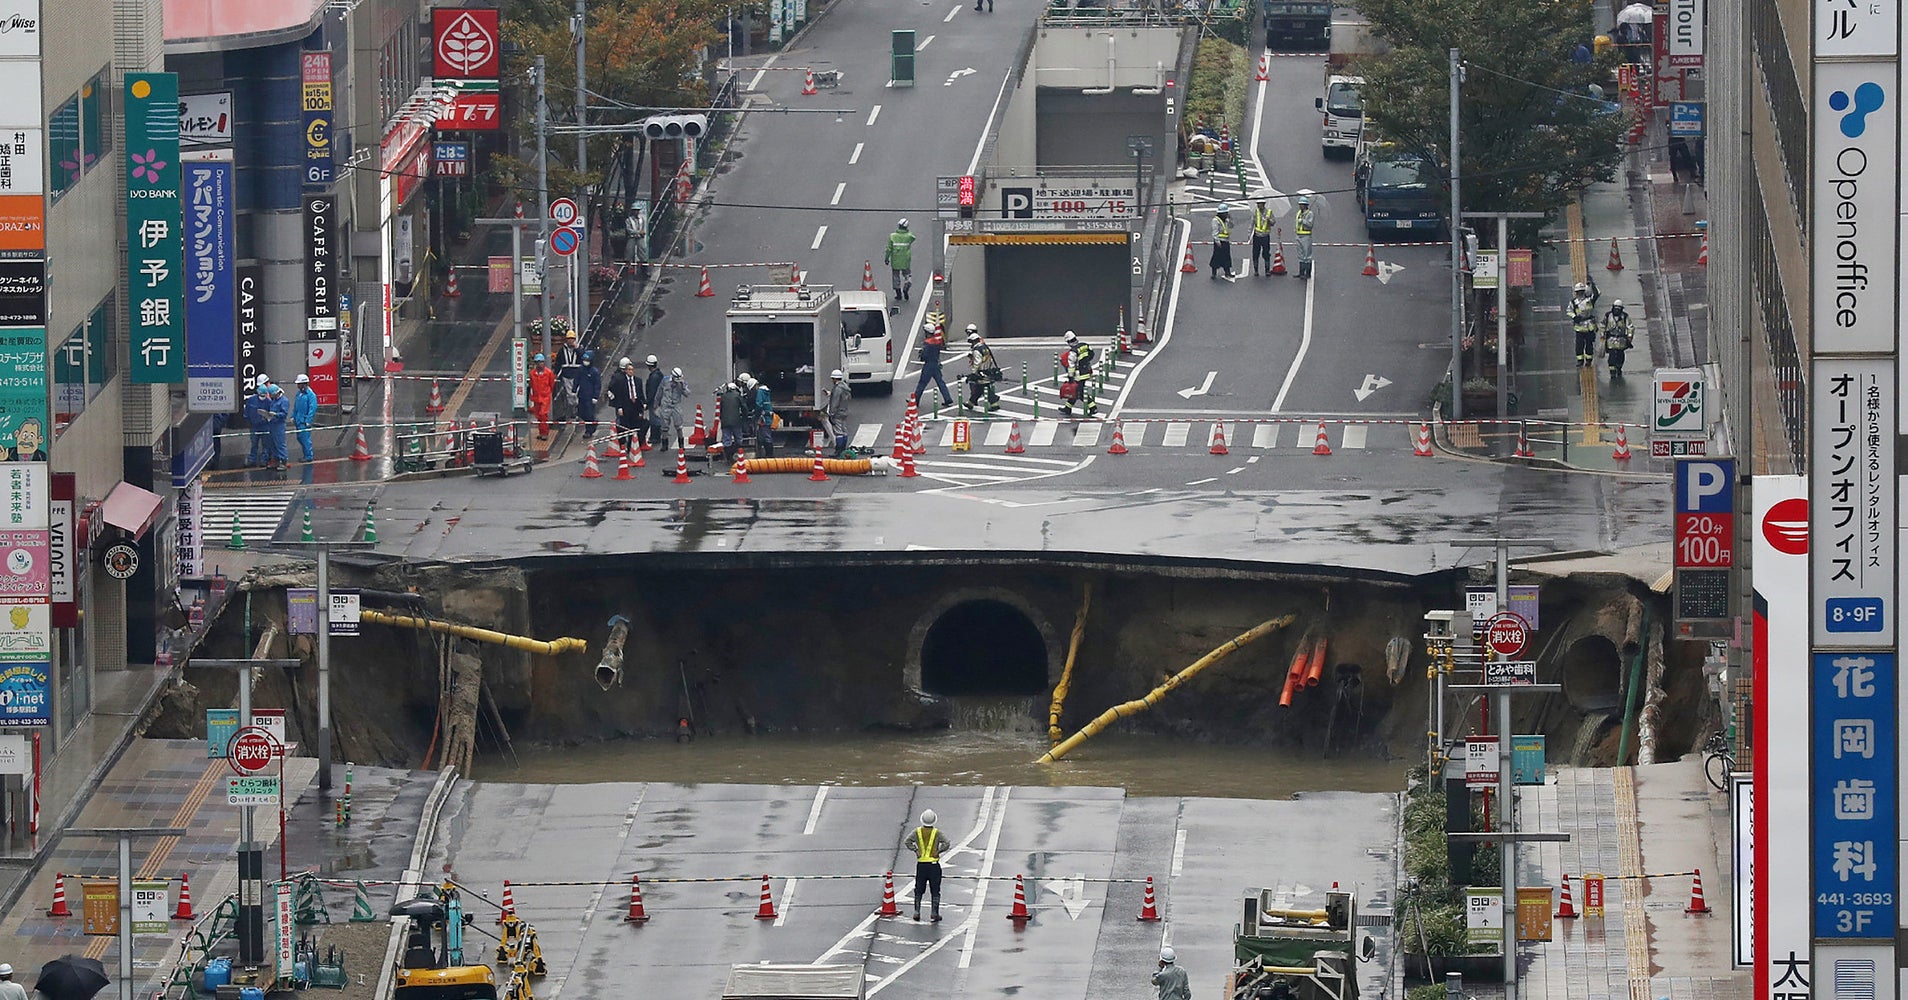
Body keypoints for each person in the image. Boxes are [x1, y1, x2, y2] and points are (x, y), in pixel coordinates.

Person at [904, 809, 946, 921]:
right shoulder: (936, 832)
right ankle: (934, 914)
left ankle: (916, 912)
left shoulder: (917, 832)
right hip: (933, 865)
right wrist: (938, 851)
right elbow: (946, 843)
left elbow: (907, 841)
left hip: (921, 865)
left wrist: (916, 850)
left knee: (919, 889)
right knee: (935, 890)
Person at [607, 357, 647, 456]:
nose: (630, 371)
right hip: (626, 405)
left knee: (635, 427)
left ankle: (631, 447)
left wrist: (644, 403)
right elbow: (619, 395)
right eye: (628, 370)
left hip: (635, 405)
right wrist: (619, 407)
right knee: (623, 426)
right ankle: (622, 445)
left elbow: (640, 393)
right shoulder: (621, 381)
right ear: (625, 371)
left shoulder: (638, 381)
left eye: (632, 370)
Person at [914, 322, 954, 408]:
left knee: (922, 383)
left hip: (928, 365)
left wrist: (921, 354)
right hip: (936, 364)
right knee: (940, 382)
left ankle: (916, 400)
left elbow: (924, 355)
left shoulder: (927, 342)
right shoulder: (937, 341)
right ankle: (947, 398)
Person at [1059, 331, 1098, 418]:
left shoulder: (1073, 352)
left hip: (1079, 374)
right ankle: (1068, 408)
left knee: (1079, 393)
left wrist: (1070, 376)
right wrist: (1085, 361)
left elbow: (1071, 366)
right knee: (1075, 390)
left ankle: (1093, 407)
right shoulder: (1084, 345)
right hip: (1087, 371)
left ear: (1069, 342)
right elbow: (1092, 354)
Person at [964, 330, 1001, 412]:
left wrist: (974, 372)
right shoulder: (984, 347)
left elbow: (977, 362)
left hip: (981, 371)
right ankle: (971, 403)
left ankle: (994, 403)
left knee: (984, 388)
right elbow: (990, 359)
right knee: (978, 388)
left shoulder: (977, 350)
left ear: (974, 341)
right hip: (987, 370)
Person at [655, 367, 689, 451]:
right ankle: (664, 444)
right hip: (665, 405)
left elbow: (687, 394)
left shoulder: (682, 383)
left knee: (679, 426)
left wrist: (682, 386)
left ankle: (681, 444)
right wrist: (656, 403)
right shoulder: (665, 380)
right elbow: (659, 391)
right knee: (664, 426)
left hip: (676, 406)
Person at [884, 219, 916, 306]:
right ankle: (907, 284)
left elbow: (888, 249)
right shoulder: (909, 236)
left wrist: (886, 258)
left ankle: (898, 294)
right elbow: (913, 237)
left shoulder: (892, 236)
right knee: (907, 274)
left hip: (895, 259)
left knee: (895, 276)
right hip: (905, 260)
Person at [1602, 298, 1635, 381]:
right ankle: (1612, 372)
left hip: (1621, 340)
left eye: (1618, 308)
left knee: (1620, 355)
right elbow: (1602, 325)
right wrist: (1602, 335)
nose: (1617, 310)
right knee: (1612, 356)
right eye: (1615, 308)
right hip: (1611, 340)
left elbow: (1630, 327)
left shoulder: (1625, 317)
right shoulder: (1608, 315)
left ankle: (1619, 367)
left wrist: (1630, 337)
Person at [822, 369, 851, 457]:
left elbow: (835, 402)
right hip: (844, 411)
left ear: (835, 379)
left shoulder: (837, 388)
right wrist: (829, 393)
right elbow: (840, 396)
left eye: (832, 379)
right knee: (844, 430)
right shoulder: (844, 387)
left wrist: (831, 414)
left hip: (838, 413)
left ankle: (838, 451)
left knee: (838, 432)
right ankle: (844, 449)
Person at [1570, 282, 1599, 368]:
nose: (1580, 293)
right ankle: (1580, 360)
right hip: (1579, 327)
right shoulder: (1574, 302)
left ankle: (1589, 360)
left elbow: (1597, 293)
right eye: (1578, 292)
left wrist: (1593, 285)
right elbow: (1569, 311)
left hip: (1589, 326)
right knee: (1579, 345)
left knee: (1589, 344)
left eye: (1581, 291)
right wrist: (1574, 317)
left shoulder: (1590, 300)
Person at [243, 375, 271, 467]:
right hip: (254, 426)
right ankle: (252, 460)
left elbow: (271, 414)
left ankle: (264, 459)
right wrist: (248, 421)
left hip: (265, 425)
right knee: (254, 443)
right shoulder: (251, 400)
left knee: (265, 444)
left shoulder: (269, 401)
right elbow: (247, 412)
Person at [575, 350, 603, 438]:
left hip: (590, 397)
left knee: (589, 414)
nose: (585, 362)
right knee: (581, 413)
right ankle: (593, 422)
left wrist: (595, 396)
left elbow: (597, 385)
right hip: (582, 395)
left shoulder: (594, 372)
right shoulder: (580, 369)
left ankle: (589, 430)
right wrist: (574, 389)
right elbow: (577, 380)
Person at [528, 353, 557, 437]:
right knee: (538, 416)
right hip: (536, 397)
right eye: (537, 362)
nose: (539, 364)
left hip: (545, 397)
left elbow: (551, 384)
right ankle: (541, 432)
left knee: (543, 415)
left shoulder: (549, 373)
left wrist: (547, 393)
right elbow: (531, 385)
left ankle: (544, 433)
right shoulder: (532, 373)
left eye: (540, 362)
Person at [292, 373, 319, 462]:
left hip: (304, 421)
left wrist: (308, 420)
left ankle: (308, 456)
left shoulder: (311, 395)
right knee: (300, 438)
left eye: (299, 384)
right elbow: (296, 406)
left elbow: (312, 408)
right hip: (298, 420)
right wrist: (293, 416)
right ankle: (305, 454)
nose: (297, 386)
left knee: (305, 439)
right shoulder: (299, 394)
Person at [717, 378, 748, 455]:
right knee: (738, 438)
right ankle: (738, 454)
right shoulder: (738, 396)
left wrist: (721, 419)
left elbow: (721, 409)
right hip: (736, 421)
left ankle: (728, 456)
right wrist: (745, 417)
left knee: (727, 439)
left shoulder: (723, 396)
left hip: (725, 421)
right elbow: (744, 407)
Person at [264, 383, 291, 470]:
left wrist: (276, 415)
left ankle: (283, 461)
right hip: (272, 424)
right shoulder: (274, 400)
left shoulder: (284, 401)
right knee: (272, 443)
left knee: (280, 444)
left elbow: (284, 414)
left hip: (279, 425)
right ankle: (275, 460)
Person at [642, 355, 666, 449]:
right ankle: (657, 436)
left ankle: (655, 437)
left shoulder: (654, 377)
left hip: (654, 401)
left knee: (654, 419)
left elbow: (651, 391)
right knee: (657, 417)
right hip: (660, 400)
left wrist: (647, 403)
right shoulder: (659, 374)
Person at [749, 375, 776, 458]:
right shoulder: (765, 391)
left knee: (766, 435)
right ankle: (768, 454)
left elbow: (759, 404)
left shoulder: (760, 392)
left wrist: (756, 414)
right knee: (765, 435)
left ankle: (769, 455)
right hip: (767, 416)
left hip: (764, 417)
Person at [1250, 197, 1274, 277]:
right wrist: (1249, 235)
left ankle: (1267, 270)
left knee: (1266, 253)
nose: (1258, 205)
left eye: (1259, 204)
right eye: (1257, 204)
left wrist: (1269, 220)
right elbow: (1252, 223)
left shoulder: (1269, 212)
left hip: (1265, 236)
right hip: (1257, 236)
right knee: (1255, 253)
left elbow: (1273, 222)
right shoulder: (1255, 212)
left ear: (1263, 204)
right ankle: (1256, 270)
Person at [1210, 204, 1235, 280]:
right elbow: (1215, 232)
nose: (1226, 214)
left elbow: (1231, 226)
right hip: (1219, 242)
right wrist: (1217, 242)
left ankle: (1227, 272)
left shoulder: (1226, 220)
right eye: (1225, 213)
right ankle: (1214, 273)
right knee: (1216, 258)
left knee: (1227, 257)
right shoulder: (1216, 220)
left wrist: (1230, 219)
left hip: (1226, 241)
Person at [1293, 195, 1316, 279]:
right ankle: (1301, 272)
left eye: (1302, 204)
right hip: (1298, 235)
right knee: (1300, 255)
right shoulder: (1298, 213)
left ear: (1306, 205)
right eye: (1300, 204)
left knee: (1307, 255)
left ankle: (1308, 273)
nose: (1300, 206)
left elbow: (1310, 225)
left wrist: (1303, 221)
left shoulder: (1310, 214)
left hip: (1306, 236)